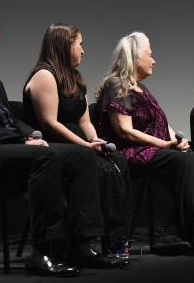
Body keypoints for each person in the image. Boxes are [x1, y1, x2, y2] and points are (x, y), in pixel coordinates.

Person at [0, 1, 125, 276]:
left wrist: (30, 134)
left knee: (81, 155)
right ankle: (45, 250)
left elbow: (5, 116)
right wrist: (21, 142)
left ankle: (83, 244)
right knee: (47, 156)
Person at [95, 32, 194, 254]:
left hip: (152, 150)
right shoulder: (116, 85)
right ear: (135, 57)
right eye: (150, 55)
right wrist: (163, 145)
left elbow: (162, 122)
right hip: (131, 152)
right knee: (188, 164)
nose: (154, 60)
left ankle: (174, 231)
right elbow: (125, 131)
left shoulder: (142, 89)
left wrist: (176, 141)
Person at [24, 23, 131, 259]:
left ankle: (115, 240)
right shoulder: (45, 75)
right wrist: (84, 145)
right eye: (79, 44)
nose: (83, 51)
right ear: (65, 45)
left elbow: (84, 122)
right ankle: (85, 242)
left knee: (117, 161)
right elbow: (51, 123)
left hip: (79, 145)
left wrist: (95, 139)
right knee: (96, 166)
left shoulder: (75, 78)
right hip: (53, 147)